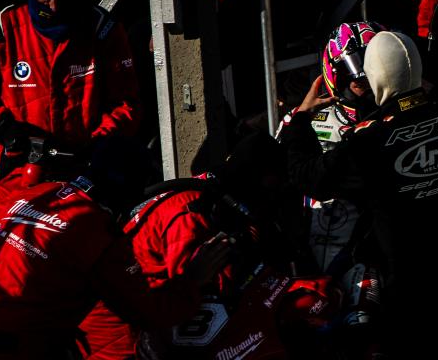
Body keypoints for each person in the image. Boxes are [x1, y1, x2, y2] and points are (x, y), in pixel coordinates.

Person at [280, 31, 438, 358]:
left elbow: (307, 177)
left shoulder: (369, 143)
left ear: (374, 78)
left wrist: (300, 118)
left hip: (416, 299)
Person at [0, 136, 230, 359]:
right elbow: (150, 313)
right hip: (12, 348)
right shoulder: (97, 232)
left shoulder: (33, 194)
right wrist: (193, 278)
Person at [78, 131, 291, 359]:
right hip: (120, 339)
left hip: (142, 318)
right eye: (270, 186)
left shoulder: (205, 193)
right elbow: (192, 287)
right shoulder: (193, 210)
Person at [0, 0, 142, 211]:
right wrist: (2, 126)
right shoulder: (0, 29)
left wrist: (100, 146)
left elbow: (127, 103)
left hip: (86, 172)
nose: (54, 5)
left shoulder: (102, 30)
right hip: (20, 173)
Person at [276, 21, 382, 272]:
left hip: (366, 253)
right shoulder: (301, 120)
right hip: (306, 250)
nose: (363, 80)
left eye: (371, 71)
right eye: (355, 72)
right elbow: (280, 177)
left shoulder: (390, 121)